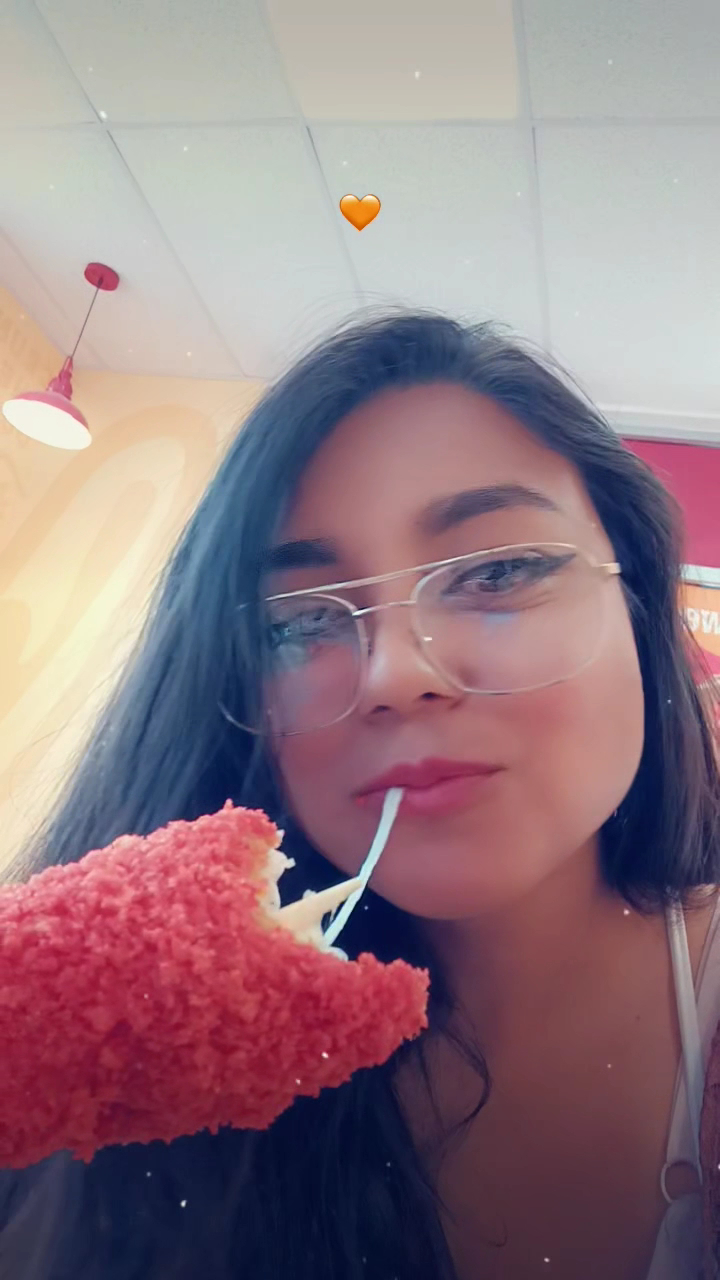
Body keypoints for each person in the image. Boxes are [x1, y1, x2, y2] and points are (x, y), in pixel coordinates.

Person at [1, 311, 719, 1280]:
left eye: (497, 571)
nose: (394, 673)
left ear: (637, 602)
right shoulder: (159, 1094)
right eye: (300, 622)